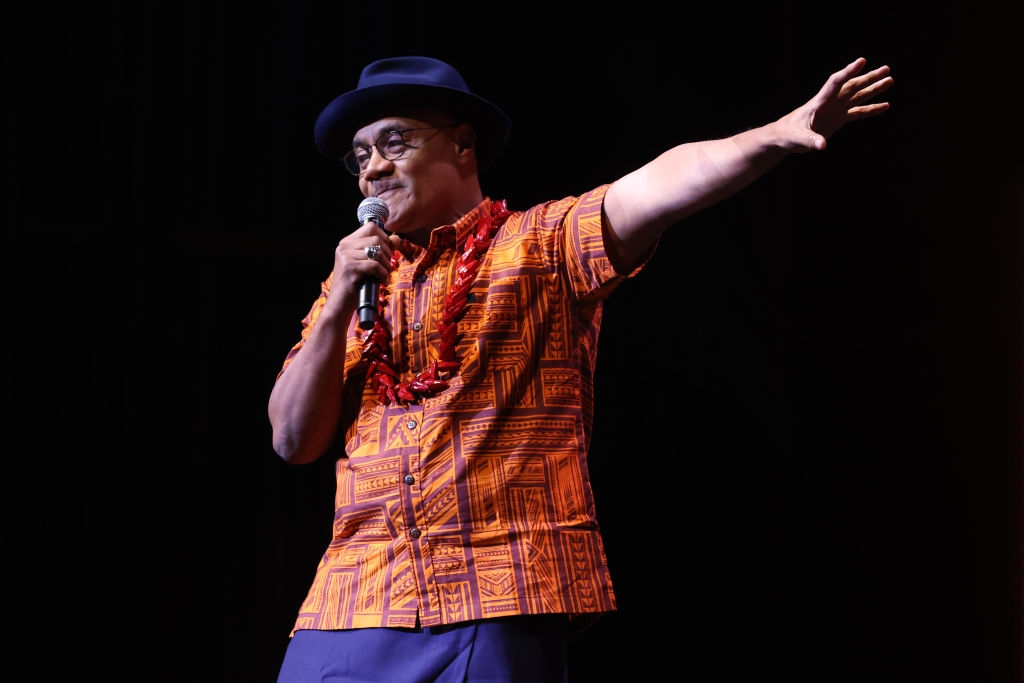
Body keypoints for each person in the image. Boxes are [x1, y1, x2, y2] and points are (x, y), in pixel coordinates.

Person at [268, 54, 893, 682]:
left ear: (462, 147)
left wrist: (773, 135)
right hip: (353, 598)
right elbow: (293, 440)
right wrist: (337, 306)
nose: (371, 168)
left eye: (394, 141)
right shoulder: (352, 286)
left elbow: (660, 183)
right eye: (360, 154)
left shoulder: (543, 245)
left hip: (500, 588)